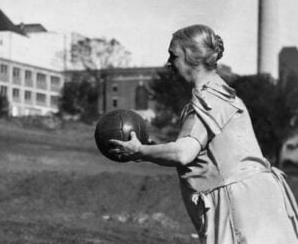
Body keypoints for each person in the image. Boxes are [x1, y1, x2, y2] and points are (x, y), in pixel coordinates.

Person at [110, 24, 298, 243]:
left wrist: (140, 150)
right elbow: (201, 155)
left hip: (241, 206)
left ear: (193, 58)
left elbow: (183, 153)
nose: (169, 63)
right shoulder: (222, 94)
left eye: (174, 56)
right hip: (256, 200)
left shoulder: (207, 100)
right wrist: (152, 148)